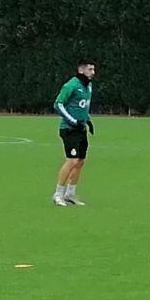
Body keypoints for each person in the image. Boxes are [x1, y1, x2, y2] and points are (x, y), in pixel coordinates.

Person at [52, 60, 95, 206]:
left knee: (81, 161)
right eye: (90, 69)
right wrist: (72, 121)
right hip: (69, 129)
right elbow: (58, 104)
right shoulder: (71, 85)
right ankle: (58, 194)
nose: (93, 72)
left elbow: (82, 106)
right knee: (72, 160)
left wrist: (87, 120)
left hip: (81, 130)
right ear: (82, 70)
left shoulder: (88, 85)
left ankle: (70, 194)